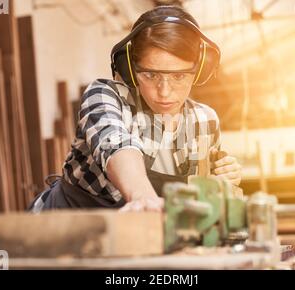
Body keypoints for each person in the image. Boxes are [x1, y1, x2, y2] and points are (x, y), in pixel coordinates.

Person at [29, 5, 242, 213]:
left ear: (199, 68)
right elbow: (116, 146)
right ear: (130, 68)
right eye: (151, 75)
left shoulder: (204, 120)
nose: (165, 92)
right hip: (61, 226)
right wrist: (143, 197)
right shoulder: (106, 96)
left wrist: (221, 181)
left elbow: (200, 198)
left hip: (130, 235)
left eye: (178, 76)